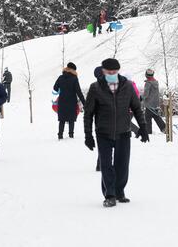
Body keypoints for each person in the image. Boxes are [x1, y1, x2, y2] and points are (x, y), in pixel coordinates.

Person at [84, 58, 148, 208]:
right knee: (106, 164)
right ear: (103, 71)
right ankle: (110, 194)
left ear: (118, 71)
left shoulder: (127, 86)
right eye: (109, 72)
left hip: (123, 131)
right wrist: (88, 135)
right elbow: (88, 113)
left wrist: (143, 127)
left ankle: (119, 191)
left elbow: (137, 107)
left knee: (122, 165)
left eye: (114, 71)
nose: (112, 74)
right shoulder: (95, 88)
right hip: (103, 132)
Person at [53, 62, 85, 139]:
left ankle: (60, 136)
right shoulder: (74, 78)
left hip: (62, 101)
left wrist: (62, 89)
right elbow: (79, 92)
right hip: (72, 102)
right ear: (73, 70)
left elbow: (55, 88)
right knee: (71, 119)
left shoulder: (61, 77)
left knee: (62, 119)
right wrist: (85, 102)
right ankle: (71, 135)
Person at [142, 69, 166, 135]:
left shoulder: (148, 83)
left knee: (147, 118)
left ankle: (148, 132)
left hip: (149, 104)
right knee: (156, 117)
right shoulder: (156, 82)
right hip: (155, 104)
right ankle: (164, 128)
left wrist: (141, 98)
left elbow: (145, 95)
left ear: (146, 75)